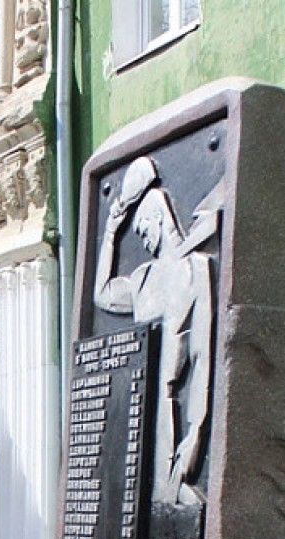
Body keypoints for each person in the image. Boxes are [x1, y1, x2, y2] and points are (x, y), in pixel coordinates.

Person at [92, 155, 221, 505]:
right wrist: (109, 235)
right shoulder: (143, 279)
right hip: (138, 419)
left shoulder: (194, 270)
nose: (142, 239)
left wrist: (195, 433)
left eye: (143, 229)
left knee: (181, 507)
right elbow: (101, 295)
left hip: (171, 417)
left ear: (159, 219)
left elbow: (202, 358)